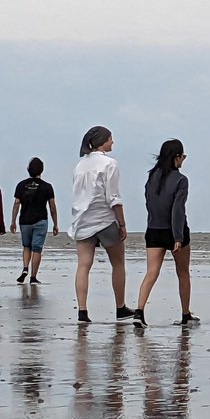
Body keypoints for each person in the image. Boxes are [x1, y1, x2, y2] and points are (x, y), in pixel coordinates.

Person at [69, 126, 134, 324]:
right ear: (102, 141)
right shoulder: (110, 163)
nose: (113, 142)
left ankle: (82, 311)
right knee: (118, 264)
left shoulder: (79, 166)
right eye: (110, 139)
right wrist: (121, 223)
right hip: (104, 219)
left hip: (83, 220)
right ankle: (120, 307)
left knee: (83, 265)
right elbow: (113, 197)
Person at [134, 139, 196, 329]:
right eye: (183, 157)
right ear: (177, 158)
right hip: (174, 231)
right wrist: (178, 237)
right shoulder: (181, 180)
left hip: (153, 229)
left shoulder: (151, 177)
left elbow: (149, 204)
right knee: (183, 273)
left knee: (151, 272)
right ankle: (185, 314)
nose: (183, 160)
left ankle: (139, 311)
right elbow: (177, 210)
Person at [10, 157, 58, 284]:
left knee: (26, 246)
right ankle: (33, 276)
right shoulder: (47, 187)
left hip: (24, 221)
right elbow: (52, 207)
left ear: (29, 170)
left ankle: (25, 268)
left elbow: (16, 204)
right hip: (40, 221)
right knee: (37, 249)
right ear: (41, 170)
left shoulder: (21, 185)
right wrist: (55, 224)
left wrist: (13, 221)